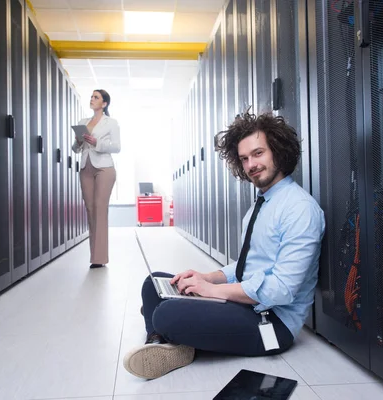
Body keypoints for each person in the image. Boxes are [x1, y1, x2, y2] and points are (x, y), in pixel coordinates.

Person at [123, 111, 325, 380]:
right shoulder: (261, 203)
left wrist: (213, 291)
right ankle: (165, 344)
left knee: (166, 312)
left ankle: (165, 335)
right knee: (155, 283)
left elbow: (282, 290)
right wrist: (207, 277)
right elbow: (247, 265)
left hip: (271, 322)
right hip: (245, 304)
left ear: (278, 150)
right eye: (244, 159)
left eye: (258, 153)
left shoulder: (300, 209)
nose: (251, 164)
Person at [72, 89, 121, 269]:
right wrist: (78, 141)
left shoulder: (111, 123)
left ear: (104, 104)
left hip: (104, 168)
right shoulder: (83, 122)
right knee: (90, 210)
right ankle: (95, 254)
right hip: (86, 167)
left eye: (96, 97)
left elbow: (117, 147)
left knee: (100, 209)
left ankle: (98, 258)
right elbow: (76, 149)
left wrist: (97, 143)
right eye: (91, 97)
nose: (92, 99)